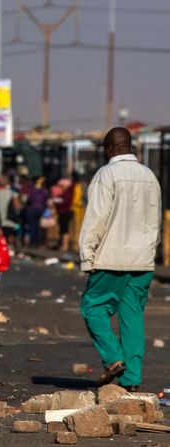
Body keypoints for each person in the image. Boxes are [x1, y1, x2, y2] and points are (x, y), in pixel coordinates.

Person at [79, 127, 161, 392]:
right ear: (131, 146)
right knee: (132, 316)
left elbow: (96, 219)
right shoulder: (150, 176)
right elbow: (155, 222)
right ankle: (131, 379)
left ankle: (113, 358)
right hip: (142, 260)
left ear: (109, 149)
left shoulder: (106, 175)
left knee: (92, 308)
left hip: (111, 258)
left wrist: (87, 256)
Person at [26, 176, 49, 247]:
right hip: (40, 209)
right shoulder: (44, 190)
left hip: (32, 209)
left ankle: (32, 242)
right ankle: (36, 243)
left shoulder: (32, 190)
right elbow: (46, 200)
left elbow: (29, 199)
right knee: (38, 227)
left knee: (33, 226)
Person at [55, 178, 74, 252]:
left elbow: (66, 202)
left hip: (65, 213)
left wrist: (57, 201)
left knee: (64, 229)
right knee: (63, 229)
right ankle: (63, 245)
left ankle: (65, 246)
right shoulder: (65, 192)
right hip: (62, 212)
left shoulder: (68, 193)